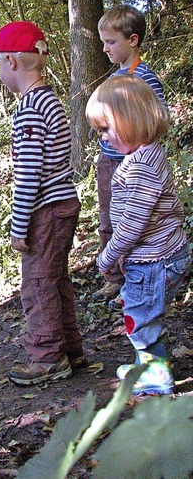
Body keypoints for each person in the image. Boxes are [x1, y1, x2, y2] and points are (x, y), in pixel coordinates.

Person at [0, 21, 84, 386]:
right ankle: (70, 349)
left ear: (11, 62)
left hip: (45, 209)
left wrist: (18, 224)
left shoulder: (29, 109)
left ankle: (47, 357)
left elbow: (28, 174)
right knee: (55, 279)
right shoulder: (50, 101)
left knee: (37, 283)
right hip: (64, 202)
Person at [85, 74, 190, 395]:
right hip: (157, 256)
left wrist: (109, 255)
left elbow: (134, 222)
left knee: (140, 316)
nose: (103, 138)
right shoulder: (146, 155)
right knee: (142, 310)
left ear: (130, 121)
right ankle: (148, 365)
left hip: (154, 260)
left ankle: (156, 377)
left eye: (106, 129)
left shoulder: (142, 163)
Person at [95, 5, 168, 310]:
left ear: (133, 39)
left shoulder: (142, 77)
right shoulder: (118, 76)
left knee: (132, 218)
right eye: (104, 42)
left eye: (111, 42)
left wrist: (137, 154)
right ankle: (114, 276)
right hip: (108, 160)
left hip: (129, 163)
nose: (105, 48)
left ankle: (133, 276)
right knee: (108, 218)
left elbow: (156, 117)